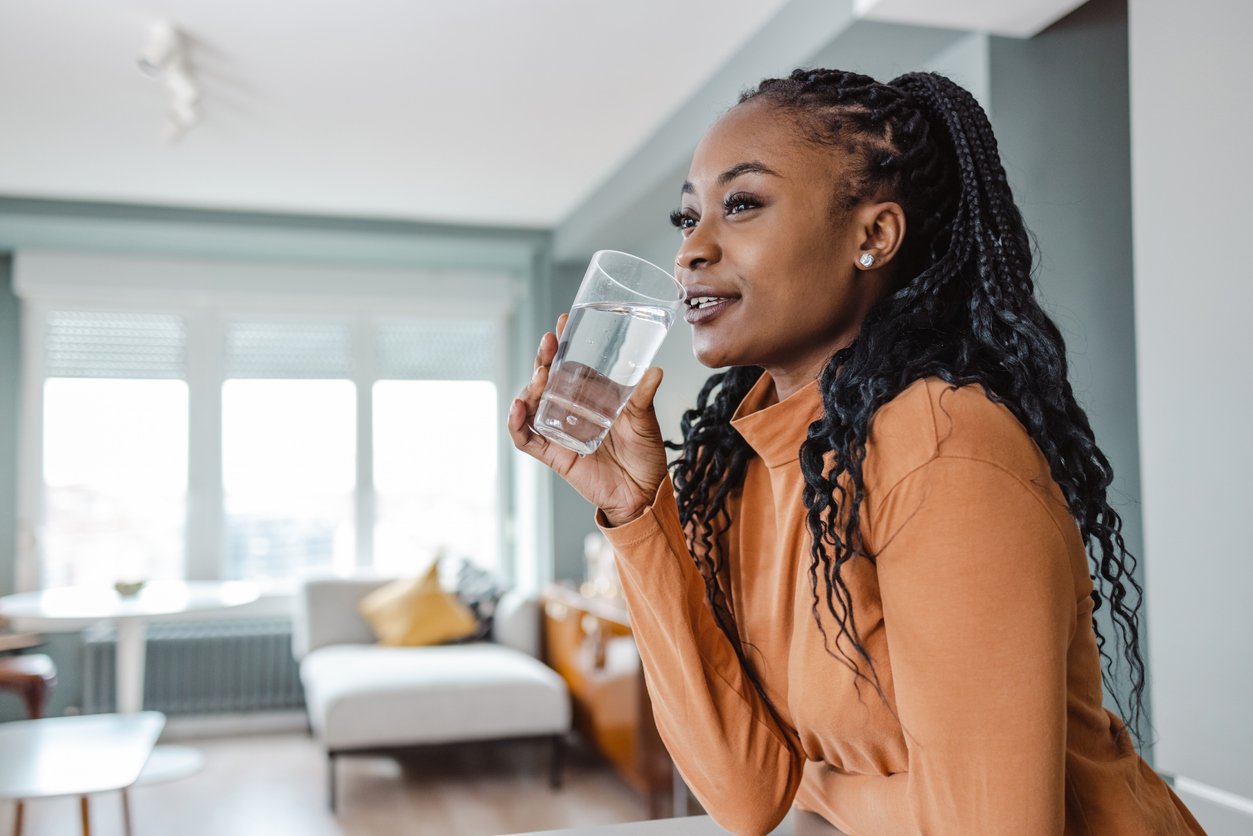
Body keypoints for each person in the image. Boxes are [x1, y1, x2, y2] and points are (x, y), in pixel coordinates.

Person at [509, 69, 1204, 835]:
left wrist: (825, 787)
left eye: (740, 204)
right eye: (686, 217)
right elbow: (745, 796)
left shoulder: (943, 448)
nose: (691, 253)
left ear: (872, 235)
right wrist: (633, 508)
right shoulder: (742, 463)